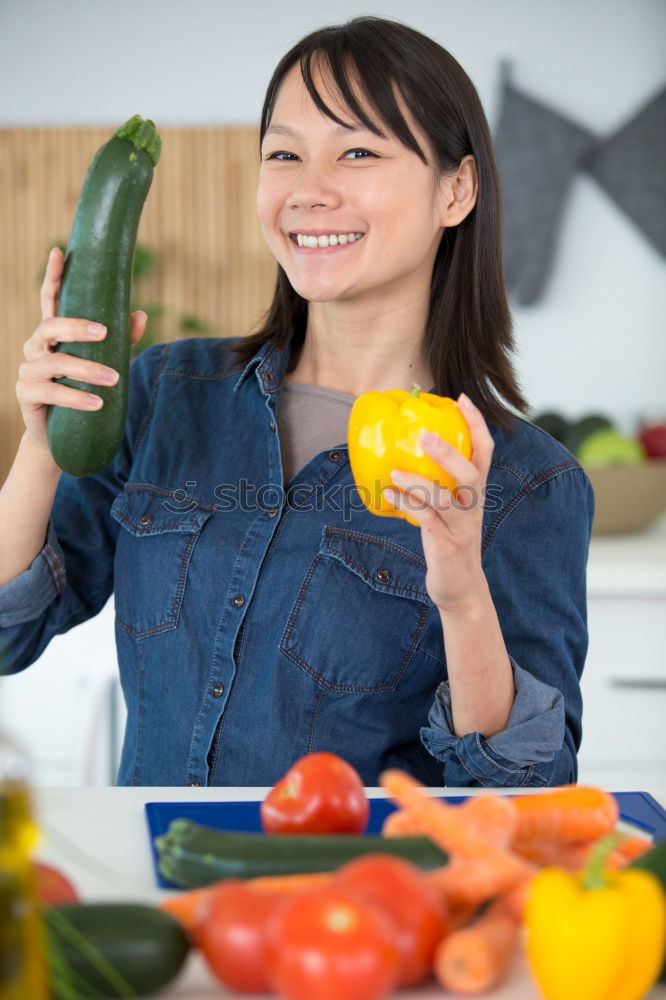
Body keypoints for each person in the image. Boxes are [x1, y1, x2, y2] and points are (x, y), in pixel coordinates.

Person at [0, 16, 594, 788]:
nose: (310, 191)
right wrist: (40, 452)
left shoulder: (525, 483)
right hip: (156, 883)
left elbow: (526, 793)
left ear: (457, 189)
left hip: (352, 904)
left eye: (357, 152)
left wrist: (463, 597)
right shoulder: (167, 394)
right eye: (284, 153)